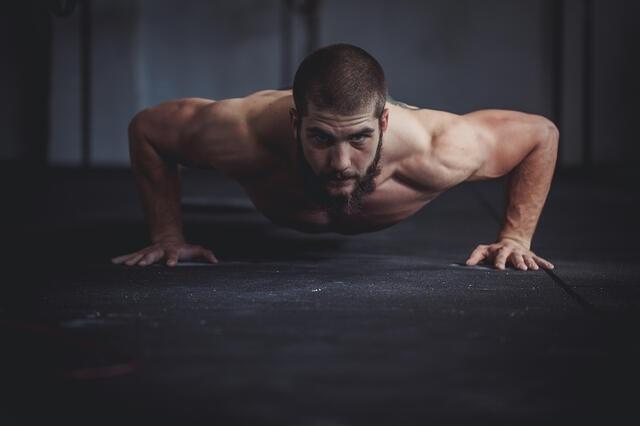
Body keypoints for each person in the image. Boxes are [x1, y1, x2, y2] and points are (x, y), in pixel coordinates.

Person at [111, 43, 558, 271]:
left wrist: (515, 238)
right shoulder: (242, 134)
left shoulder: (438, 146)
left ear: (383, 124)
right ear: (294, 123)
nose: (341, 162)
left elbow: (541, 134)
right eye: (321, 138)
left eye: (360, 139)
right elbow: (148, 130)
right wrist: (167, 235)